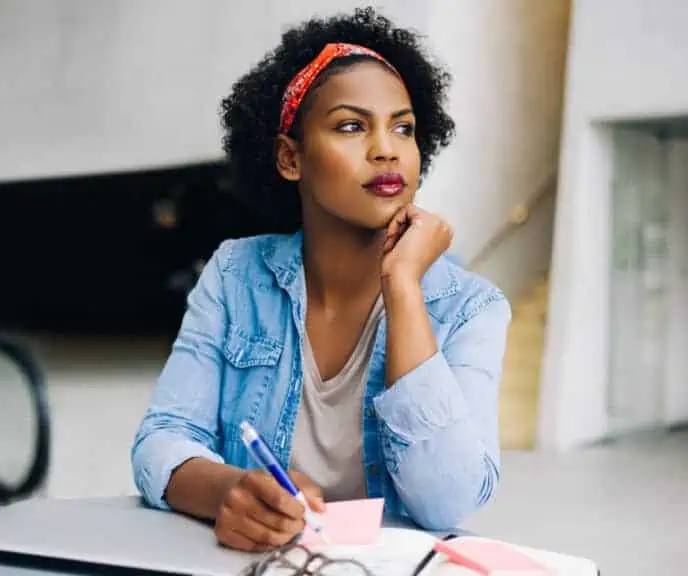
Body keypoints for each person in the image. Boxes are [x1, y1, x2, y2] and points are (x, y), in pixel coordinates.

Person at [131, 7, 511, 552]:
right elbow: (162, 439)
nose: (386, 148)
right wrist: (228, 492)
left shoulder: (472, 307)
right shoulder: (237, 275)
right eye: (352, 126)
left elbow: (447, 502)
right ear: (290, 158)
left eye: (402, 127)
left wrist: (403, 287)